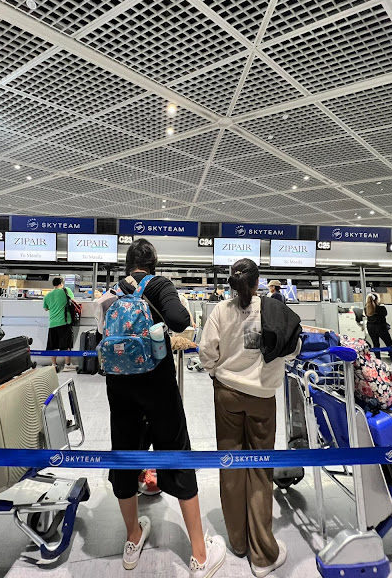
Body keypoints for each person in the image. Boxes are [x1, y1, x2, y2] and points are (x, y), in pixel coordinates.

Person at [106, 238, 226, 576]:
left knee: (124, 454)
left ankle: (133, 538)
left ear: (128, 263)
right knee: (177, 452)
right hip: (156, 384)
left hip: (119, 384)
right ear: (153, 265)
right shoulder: (158, 284)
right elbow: (178, 318)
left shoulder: (115, 291)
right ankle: (200, 555)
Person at [200, 259, 301, 577]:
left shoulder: (221, 310)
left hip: (227, 394)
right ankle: (262, 555)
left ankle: (238, 542)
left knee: (231, 464)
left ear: (232, 283)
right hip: (262, 399)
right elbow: (292, 349)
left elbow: (206, 351)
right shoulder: (273, 310)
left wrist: (217, 372)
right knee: (259, 469)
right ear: (258, 283)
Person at [43, 278, 75, 372]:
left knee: (53, 346)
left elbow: (45, 308)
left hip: (52, 323)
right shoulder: (66, 291)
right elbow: (72, 301)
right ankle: (67, 365)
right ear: (61, 283)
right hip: (64, 322)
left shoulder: (48, 295)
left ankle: (54, 365)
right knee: (66, 345)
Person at [365, 293, 392, 363]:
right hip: (381, 327)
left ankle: (378, 360)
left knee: (375, 344)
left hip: (370, 328)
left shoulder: (366, 309)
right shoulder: (381, 308)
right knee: (388, 343)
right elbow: (385, 314)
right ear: (377, 299)